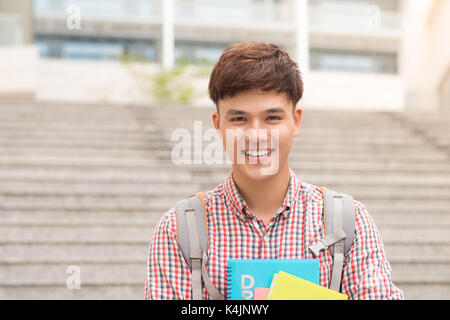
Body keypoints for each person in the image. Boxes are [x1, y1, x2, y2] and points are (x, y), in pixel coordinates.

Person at [144, 40, 404, 300]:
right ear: (218, 125)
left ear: (295, 121)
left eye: (272, 118)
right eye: (239, 119)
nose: (256, 135)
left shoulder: (349, 222)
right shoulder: (180, 229)